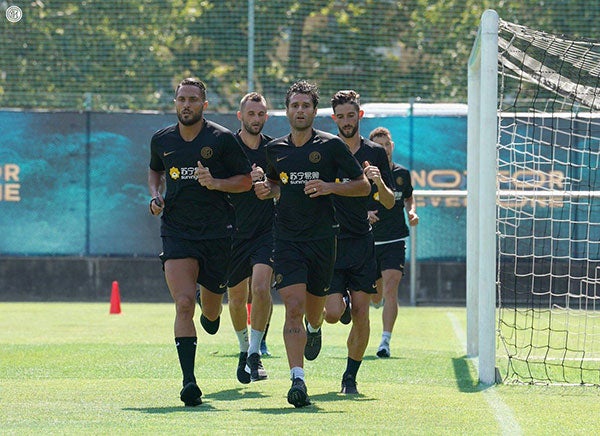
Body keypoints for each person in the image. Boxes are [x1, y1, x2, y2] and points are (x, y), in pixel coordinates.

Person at [253, 80, 371, 408]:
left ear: (315, 111)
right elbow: (277, 185)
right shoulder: (275, 149)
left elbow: (362, 186)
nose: (300, 110)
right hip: (287, 240)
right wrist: (267, 189)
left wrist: (330, 187)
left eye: (306, 106)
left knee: (316, 313)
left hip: (323, 240)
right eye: (295, 105)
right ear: (287, 110)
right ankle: (297, 380)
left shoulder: (332, 147)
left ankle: (315, 329)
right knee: (293, 308)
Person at [148, 77, 252, 407]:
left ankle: (212, 312)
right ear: (175, 103)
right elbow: (155, 172)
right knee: (183, 304)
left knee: (209, 310)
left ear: (204, 105)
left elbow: (247, 181)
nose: (187, 104)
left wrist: (216, 182)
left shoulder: (221, 139)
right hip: (177, 231)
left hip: (218, 233)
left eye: (193, 99)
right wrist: (155, 195)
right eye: (181, 99)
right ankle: (189, 382)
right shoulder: (161, 139)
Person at [325, 90, 395, 394]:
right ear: (333, 119)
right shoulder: (325, 150)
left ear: (360, 116)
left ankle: (350, 377)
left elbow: (390, 203)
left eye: (350, 115)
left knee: (361, 312)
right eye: (340, 116)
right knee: (330, 313)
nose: (346, 121)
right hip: (329, 242)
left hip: (361, 244)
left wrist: (377, 181)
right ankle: (321, 322)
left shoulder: (375, 153)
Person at [226, 92, 274, 384]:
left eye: (261, 114)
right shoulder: (226, 147)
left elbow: (282, 187)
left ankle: (256, 352)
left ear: (266, 117)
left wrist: (269, 186)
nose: (256, 119)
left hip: (267, 231)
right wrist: (246, 181)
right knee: (235, 299)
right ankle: (244, 349)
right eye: (251, 114)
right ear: (240, 116)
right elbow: (215, 183)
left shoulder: (275, 149)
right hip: (232, 233)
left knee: (260, 287)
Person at [367, 127, 419, 358]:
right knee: (375, 295)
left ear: (392, 145)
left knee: (391, 288)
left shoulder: (402, 174)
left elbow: (408, 197)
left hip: (395, 239)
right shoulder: (363, 175)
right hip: (368, 240)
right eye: (379, 146)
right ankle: (374, 299)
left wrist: (412, 211)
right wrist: (364, 213)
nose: (384, 149)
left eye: (386, 144)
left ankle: (385, 342)